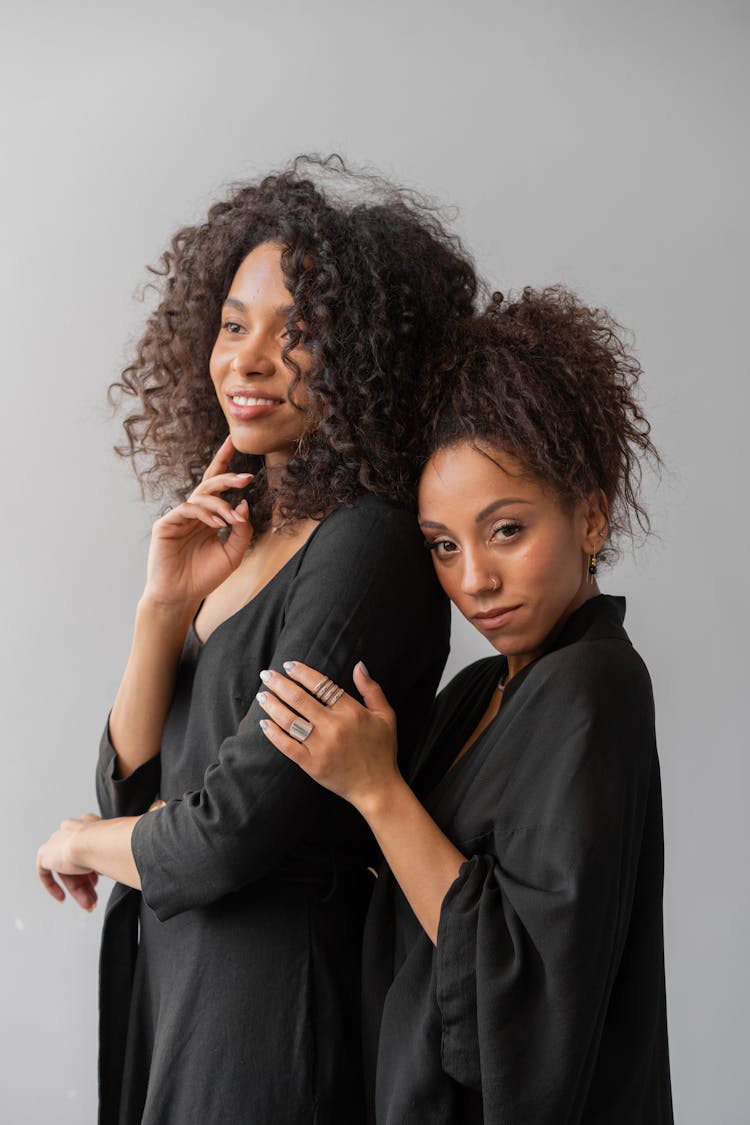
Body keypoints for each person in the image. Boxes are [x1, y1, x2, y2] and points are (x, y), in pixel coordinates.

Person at [36, 158, 479, 1125]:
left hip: (273, 1009)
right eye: (235, 324)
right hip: (186, 991)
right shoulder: (244, 534)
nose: (250, 357)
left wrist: (80, 841)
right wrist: (163, 611)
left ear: (364, 358)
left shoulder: (364, 543)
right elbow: (137, 794)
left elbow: (223, 834)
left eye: (300, 334)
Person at [256, 288, 674, 1123]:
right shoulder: (477, 693)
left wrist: (379, 789)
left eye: (506, 530)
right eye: (443, 545)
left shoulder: (594, 687)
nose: (473, 578)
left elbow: (525, 978)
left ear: (589, 514)